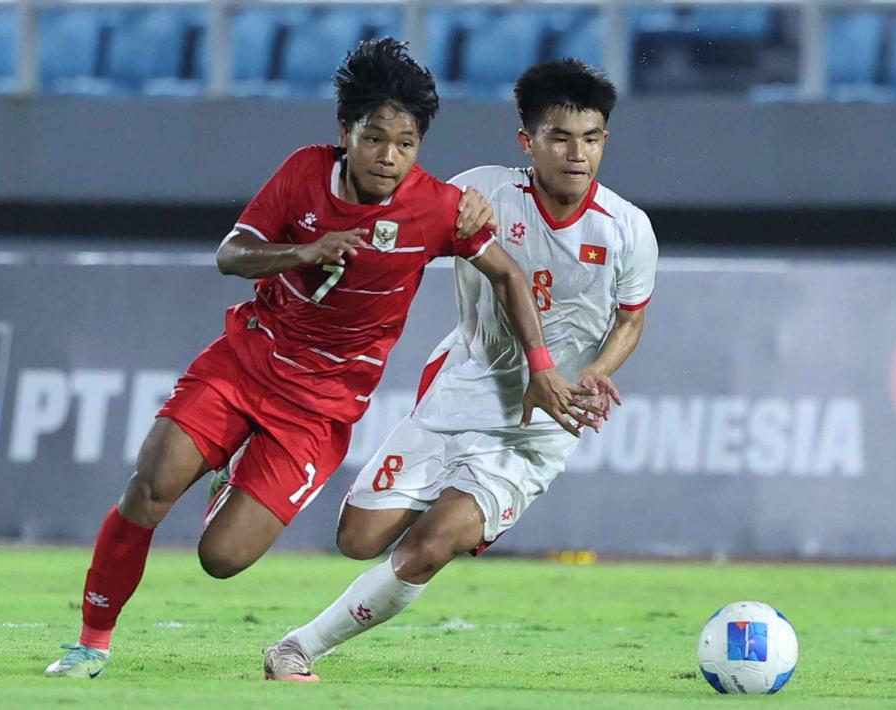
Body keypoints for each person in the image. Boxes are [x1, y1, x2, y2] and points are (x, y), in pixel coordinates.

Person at [44, 39, 593, 679]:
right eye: (374, 138)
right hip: (247, 361)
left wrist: (540, 364)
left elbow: (509, 276)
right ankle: (91, 643)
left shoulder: (438, 208)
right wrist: (302, 252)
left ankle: (232, 477)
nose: (388, 156)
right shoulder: (305, 172)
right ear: (345, 132)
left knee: (222, 559)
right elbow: (231, 253)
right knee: (150, 488)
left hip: (319, 408)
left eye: (406, 143)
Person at [260, 59, 659, 682]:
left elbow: (630, 322)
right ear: (527, 142)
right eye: (559, 137)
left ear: (605, 140)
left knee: (430, 546)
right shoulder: (481, 192)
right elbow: (404, 218)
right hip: (461, 390)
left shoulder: (629, 229)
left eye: (590, 138)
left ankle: (297, 648)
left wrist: (594, 374)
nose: (577, 154)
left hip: (541, 424)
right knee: (357, 539)